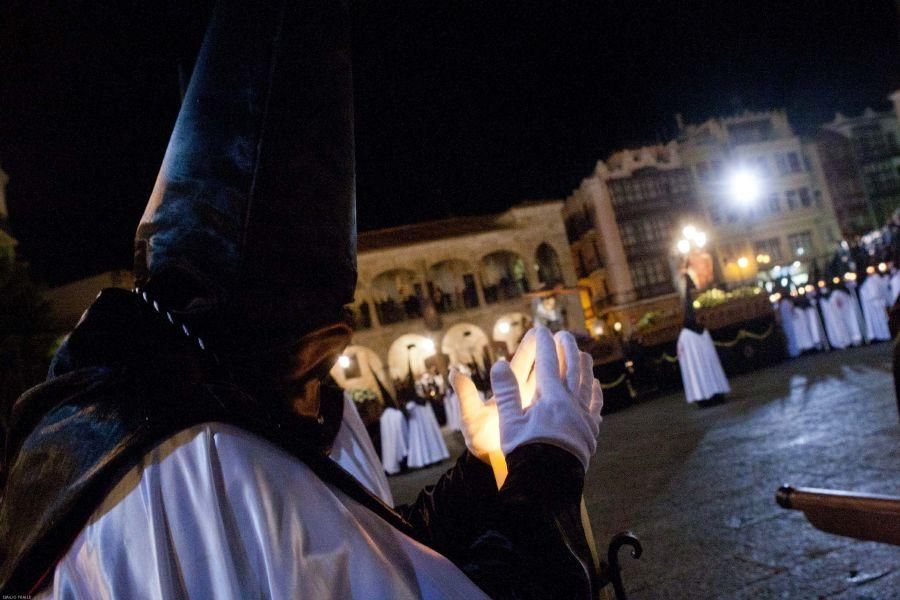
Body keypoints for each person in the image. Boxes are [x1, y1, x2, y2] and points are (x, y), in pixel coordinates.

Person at [0, 2, 603, 597]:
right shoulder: (212, 461)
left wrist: (480, 467)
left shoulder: (147, 414)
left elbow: (380, 559)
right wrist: (547, 467)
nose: (330, 360)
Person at [676, 274, 730, 407]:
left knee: (698, 373)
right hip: (708, 364)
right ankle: (716, 391)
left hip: (697, 367)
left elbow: (683, 358)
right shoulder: (703, 331)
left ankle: (703, 395)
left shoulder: (685, 336)